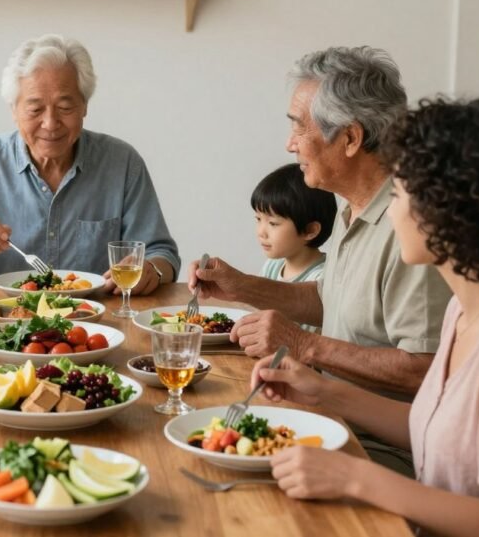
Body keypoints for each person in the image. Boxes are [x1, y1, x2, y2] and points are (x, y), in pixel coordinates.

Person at [250, 98, 479, 536]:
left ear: (447, 206)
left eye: (398, 193)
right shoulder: (463, 308)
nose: (391, 211)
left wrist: (354, 477)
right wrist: (319, 391)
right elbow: (430, 430)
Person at [188, 47, 451, 475]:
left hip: (382, 450)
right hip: (326, 417)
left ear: (350, 138)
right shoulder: (353, 206)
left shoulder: (410, 228)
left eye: (299, 128)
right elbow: (332, 299)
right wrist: (242, 286)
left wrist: (306, 345)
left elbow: (424, 370)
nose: (289, 143)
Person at [0, 34, 180, 294]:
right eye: (35, 109)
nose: (50, 124)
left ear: (85, 106)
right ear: (13, 110)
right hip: (2, 324)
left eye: (65, 108)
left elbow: (162, 254)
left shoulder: (122, 163)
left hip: (98, 324)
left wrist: (152, 269)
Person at [251, 163, 336, 286]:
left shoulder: (322, 277)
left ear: (310, 230)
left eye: (273, 223)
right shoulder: (273, 265)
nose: (261, 233)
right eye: (258, 219)